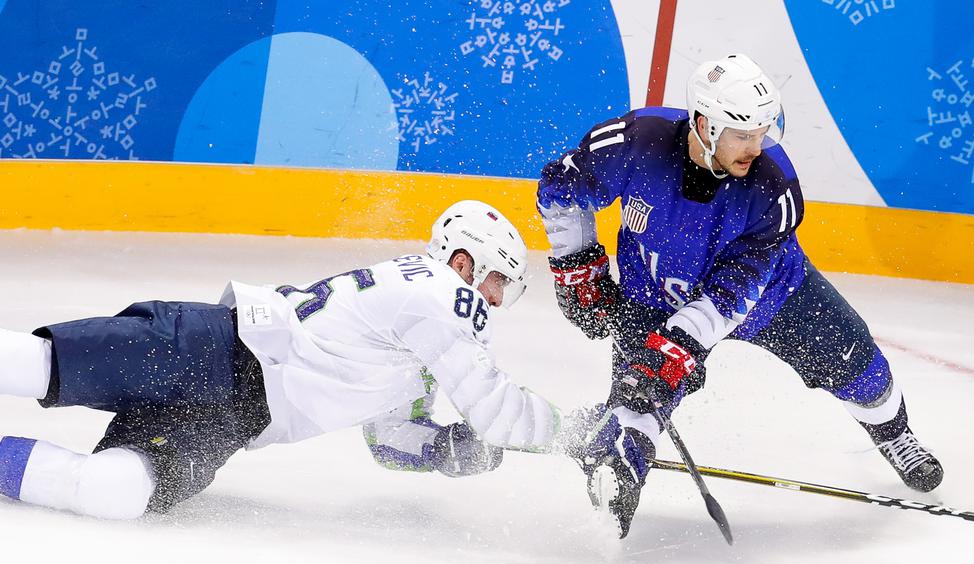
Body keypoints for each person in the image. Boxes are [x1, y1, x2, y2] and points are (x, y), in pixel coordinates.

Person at [536, 53, 943, 538]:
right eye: (744, 134)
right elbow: (560, 188)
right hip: (654, 298)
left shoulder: (774, 186)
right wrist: (577, 265)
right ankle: (617, 479)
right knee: (639, 397)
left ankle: (894, 434)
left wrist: (677, 348)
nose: (756, 145)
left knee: (854, 360)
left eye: (762, 132)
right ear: (705, 126)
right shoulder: (632, 144)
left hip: (773, 297)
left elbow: (733, 292)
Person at [0, 200, 560, 519]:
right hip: (218, 347)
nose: (493, 301)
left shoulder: (421, 347)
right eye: (495, 281)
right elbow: (494, 403)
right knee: (41, 364)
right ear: (463, 262)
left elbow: (392, 438)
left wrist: (442, 447)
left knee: (112, 491)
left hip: (232, 422)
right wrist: (578, 436)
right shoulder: (442, 292)